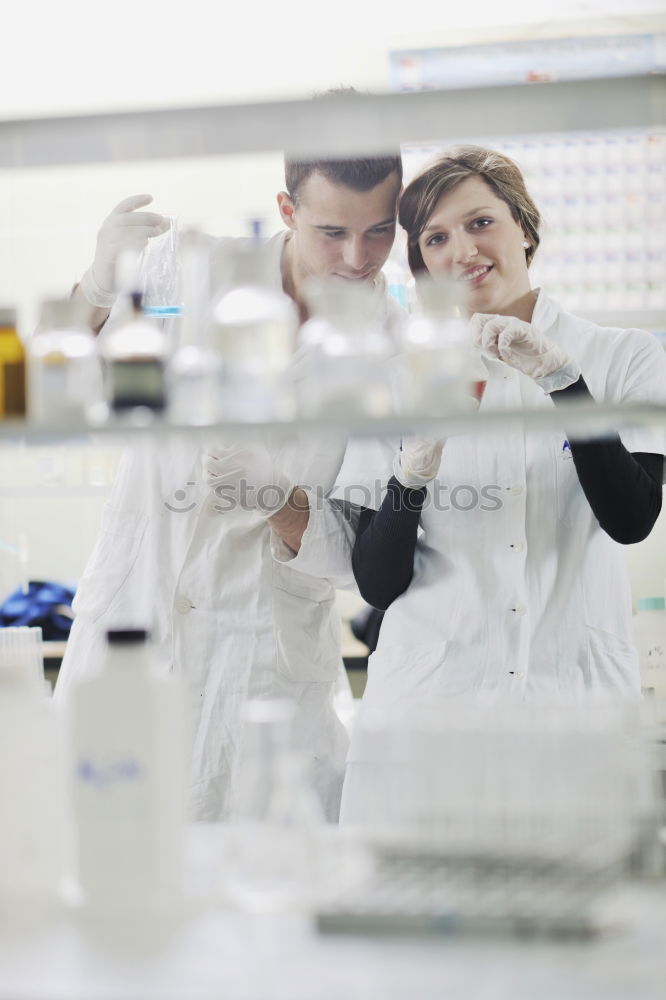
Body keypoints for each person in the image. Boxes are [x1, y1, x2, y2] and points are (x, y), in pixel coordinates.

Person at [55, 143, 404, 823]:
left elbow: (361, 561)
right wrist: (93, 291)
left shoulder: (392, 345)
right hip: (134, 614)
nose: (359, 257)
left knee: (263, 893)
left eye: (380, 230)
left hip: (264, 664)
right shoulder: (184, 271)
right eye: (333, 232)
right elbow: (60, 393)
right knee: (101, 856)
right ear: (286, 210)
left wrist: (281, 503)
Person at [338, 145, 666, 820]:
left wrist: (565, 384)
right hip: (431, 711)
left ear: (525, 228)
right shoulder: (391, 379)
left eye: (481, 222)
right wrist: (414, 467)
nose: (462, 250)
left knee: (575, 911)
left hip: (573, 705)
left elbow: (630, 517)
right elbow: (376, 581)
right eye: (436, 238)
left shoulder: (625, 357)